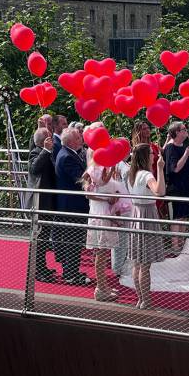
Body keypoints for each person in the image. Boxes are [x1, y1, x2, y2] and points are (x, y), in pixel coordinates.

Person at [127, 143, 167, 309]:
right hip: (146, 215)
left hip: (137, 215)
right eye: (151, 153)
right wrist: (160, 169)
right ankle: (146, 301)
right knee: (144, 264)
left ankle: (140, 299)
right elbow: (160, 191)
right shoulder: (145, 175)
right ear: (145, 157)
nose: (154, 155)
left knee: (138, 262)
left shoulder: (132, 173)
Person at [82, 159, 126, 302]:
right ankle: (100, 289)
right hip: (99, 216)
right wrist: (107, 199)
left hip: (104, 214)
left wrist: (113, 198)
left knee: (103, 253)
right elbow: (89, 194)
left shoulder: (104, 171)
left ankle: (103, 286)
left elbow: (106, 190)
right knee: (101, 253)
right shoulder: (93, 171)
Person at [53, 127, 91, 285]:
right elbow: (79, 179)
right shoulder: (66, 156)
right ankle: (70, 274)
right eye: (78, 137)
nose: (81, 139)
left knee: (74, 241)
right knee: (72, 241)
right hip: (71, 206)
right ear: (70, 141)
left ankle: (72, 271)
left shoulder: (68, 153)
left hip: (72, 205)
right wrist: (92, 172)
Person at [28, 128, 58, 283]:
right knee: (40, 238)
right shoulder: (36, 152)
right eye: (48, 139)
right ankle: (38, 270)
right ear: (42, 141)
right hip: (40, 203)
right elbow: (34, 169)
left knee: (45, 238)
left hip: (48, 201)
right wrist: (45, 150)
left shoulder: (50, 152)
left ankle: (42, 266)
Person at [162, 121, 189, 253]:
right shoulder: (171, 148)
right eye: (183, 129)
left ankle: (181, 245)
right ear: (176, 132)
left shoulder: (185, 144)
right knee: (177, 217)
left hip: (186, 187)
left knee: (184, 217)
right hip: (176, 188)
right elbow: (175, 168)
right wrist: (185, 155)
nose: (186, 130)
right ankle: (175, 247)